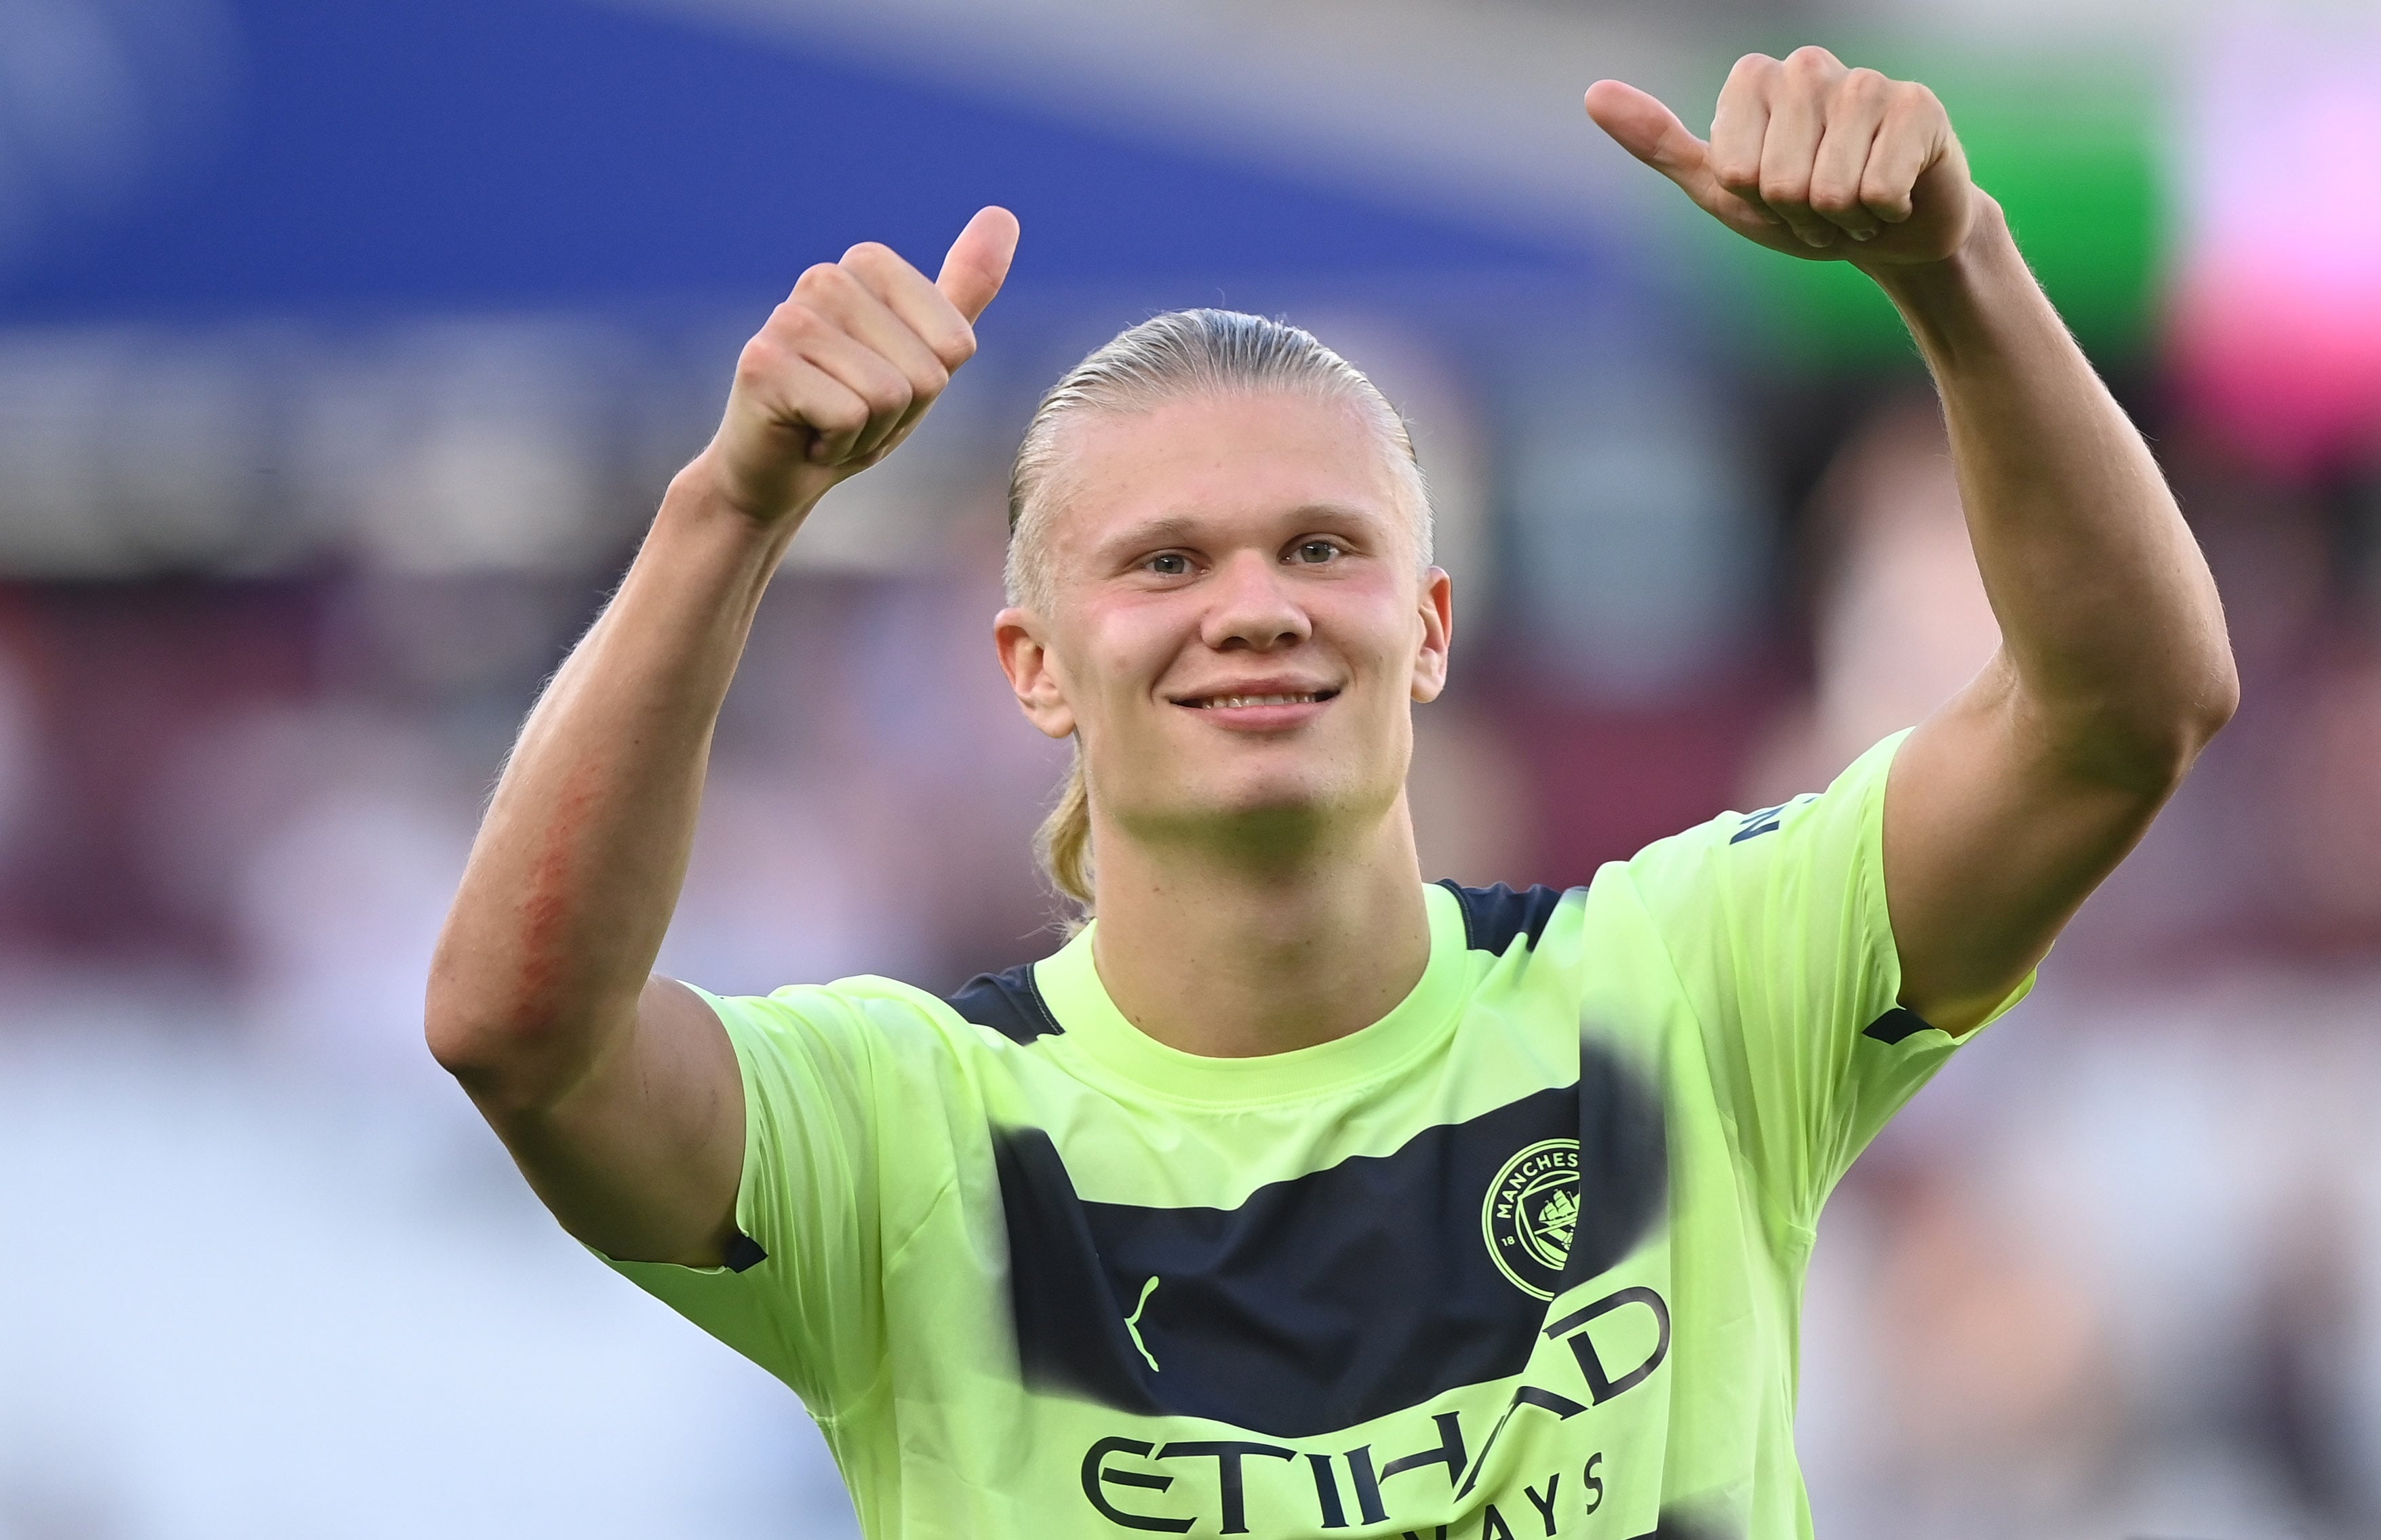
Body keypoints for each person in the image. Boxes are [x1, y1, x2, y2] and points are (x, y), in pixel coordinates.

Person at [426, 47, 2236, 1540]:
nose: (1255, 606)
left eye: (1320, 544)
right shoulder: (917, 1133)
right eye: (1161, 563)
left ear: (1431, 627)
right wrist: (729, 508)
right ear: (1030, 666)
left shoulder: (1686, 992)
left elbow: (2124, 716)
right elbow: (526, 1033)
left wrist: (1956, 271)